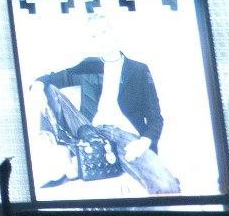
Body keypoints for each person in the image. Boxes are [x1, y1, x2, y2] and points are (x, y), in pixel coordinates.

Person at [33, 13, 178, 194]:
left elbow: (155, 117)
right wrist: (37, 86)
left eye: (103, 32)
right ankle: (66, 156)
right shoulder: (88, 66)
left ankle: (77, 161)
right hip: (91, 132)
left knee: (166, 185)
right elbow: (50, 78)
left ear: (114, 33)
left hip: (125, 137)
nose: (100, 40)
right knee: (48, 89)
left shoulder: (139, 69)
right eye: (94, 36)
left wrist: (143, 142)